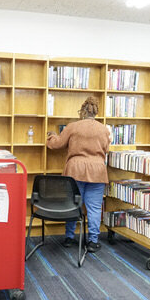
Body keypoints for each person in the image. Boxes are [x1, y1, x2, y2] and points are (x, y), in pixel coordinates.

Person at [46, 96, 111, 252]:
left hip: (75, 171)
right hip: (97, 172)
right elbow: (106, 150)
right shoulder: (104, 129)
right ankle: (93, 241)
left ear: (82, 111)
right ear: (96, 112)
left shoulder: (73, 126)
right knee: (94, 208)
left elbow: (57, 144)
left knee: (73, 205)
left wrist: (51, 136)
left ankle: (69, 238)